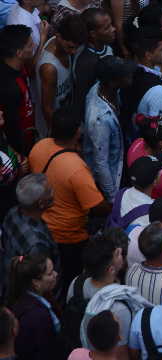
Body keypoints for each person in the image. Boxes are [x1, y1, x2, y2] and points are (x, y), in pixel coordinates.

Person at [26, 106, 109, 288]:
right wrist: (113, 204)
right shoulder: (77, 169)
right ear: (77, 131)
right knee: (72, 279)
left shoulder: (39, 147)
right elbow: (97, 206)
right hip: (71, 238)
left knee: (56, 277)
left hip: (44, 228)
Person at [83, 56, 137, 201]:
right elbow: (101, 163)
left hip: (118, 155)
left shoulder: (105, 89)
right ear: (113, 82)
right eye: (126, 75)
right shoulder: (99, 119)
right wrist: (113, 198)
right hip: (112, 176)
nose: (130, 75)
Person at [8, 254, 65, 360]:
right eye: (50, 273)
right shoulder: (37, 316)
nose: (55, 274)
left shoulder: (41, 296)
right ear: (36, 282)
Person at [0, 174, 58, 277]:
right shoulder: (37, 244)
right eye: (49, 191)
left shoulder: (12, 212)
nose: (53, 192)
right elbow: (39, 279)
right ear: (41, 203)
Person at [0, 25, 36, 155]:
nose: (34, 46)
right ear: (19, 53)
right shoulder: (9, 88)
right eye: (30, 45)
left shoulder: (18, 67)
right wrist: (19, 155)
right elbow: (11, 127)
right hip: (20, 148)